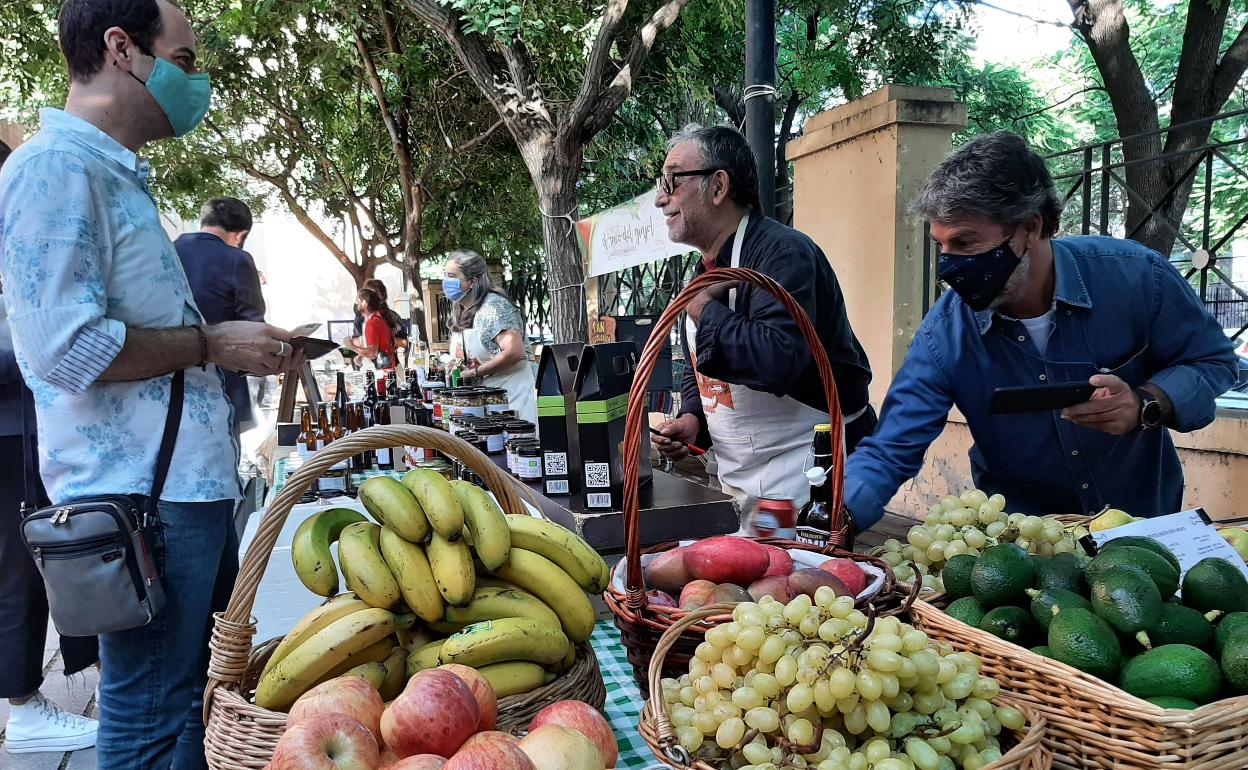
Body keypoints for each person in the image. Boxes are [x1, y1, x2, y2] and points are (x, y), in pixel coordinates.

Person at [0, 1, 301, 767]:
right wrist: (209, 343)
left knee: (187, 703)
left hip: (177, 492)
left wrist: (215, 350)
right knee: (146, 714)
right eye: (186, 59)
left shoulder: (108, 174)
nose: (194, 80)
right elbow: (65, 349)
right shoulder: (51, 170)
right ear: (121, 48)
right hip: (143, 504)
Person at [844, 131, 1239, 532]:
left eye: (965, 242)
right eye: (941, 246)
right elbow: (889, 450)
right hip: (1020, 551)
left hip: (1142, 527)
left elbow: (1215, 362)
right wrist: (834, 517)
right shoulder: (945, 335)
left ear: (1030, 228)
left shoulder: (1136, 278)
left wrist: (1146, 404)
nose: (949, 266)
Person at [649, 125, 876, 515]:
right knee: (743, 571)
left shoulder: (783, 254)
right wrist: (692, 416)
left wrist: (705, 309)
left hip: (808, 468)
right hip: (740, 473)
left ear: (718, 186)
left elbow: (779, 358)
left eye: (673, 180)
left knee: (801, 572)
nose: (660, 199)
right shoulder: (705, 268)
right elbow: (697, 366)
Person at [0, 191, 99, 756]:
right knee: (20, 572)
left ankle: (92, 674)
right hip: (10, 440)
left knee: (61, 558)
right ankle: (23, 707)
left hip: (30, 433)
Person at [174, 197, 266, 439]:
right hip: (221, 383)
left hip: (166, 379)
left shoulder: (168, 251)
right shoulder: (237, 259)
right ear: (241, 235)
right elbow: (254, 327)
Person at [445, 250, 538, 423]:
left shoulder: (494, 306)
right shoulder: (461, 310)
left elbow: (514, 352)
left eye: (451, 276)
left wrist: (475, 373)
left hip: (515, 396)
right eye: (445, 275)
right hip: (489, 401)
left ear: (472, 281)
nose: (446, 282)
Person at [345, 287, 397, 373]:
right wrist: (362, 355)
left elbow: (372, 354)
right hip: (384, 372)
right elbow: (379, 347)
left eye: (357, 301)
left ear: (364, 303)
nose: (355, 304)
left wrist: (352, 347)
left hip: (380, 374)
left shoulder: (372, 322)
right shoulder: (376, 319)